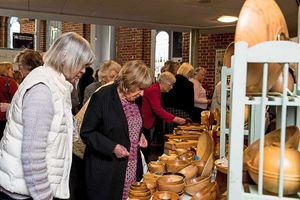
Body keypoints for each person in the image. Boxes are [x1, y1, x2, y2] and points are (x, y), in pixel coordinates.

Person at [0, 32, 94, 200]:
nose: (83, 70)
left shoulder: (55, 84)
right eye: (81, 64)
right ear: (65, 57)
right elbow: (32, 155)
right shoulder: (43, 89)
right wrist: (44, 196)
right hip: (27, 193)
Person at [80, 60, 152, 200]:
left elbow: (129, 123)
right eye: (139, 88)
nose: (142, 94)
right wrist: (112, 147)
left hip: (131, 166)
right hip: (107, 171)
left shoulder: (136, 98)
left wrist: (139, 134)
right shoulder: (102, 97)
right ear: (128, 83)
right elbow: (87, 132)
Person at [141, 72, 186, 161]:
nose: (171, 87)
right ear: (164, 82)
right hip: (144, 121)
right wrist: (175, 119)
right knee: (145, 148)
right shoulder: (154, 90)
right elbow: (158, 110)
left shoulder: (156, 89)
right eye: (170, 85)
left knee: (147, 147)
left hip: (147, 121)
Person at [162, 63, 195, 131]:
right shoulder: (189, 84)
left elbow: (164, 95)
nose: (192, 76)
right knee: (183, 134)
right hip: (182, 112)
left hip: (168, 111)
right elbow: (190, 102)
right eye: (191, 73)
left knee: (169, 133)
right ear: (188, 72)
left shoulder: (172, 80)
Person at [0, 62, 18, 139]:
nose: (13, 72)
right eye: (11, 69)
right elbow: (17, 99)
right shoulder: (10, 82)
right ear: (5, 70)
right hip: (5, 116)